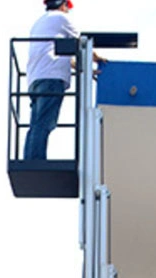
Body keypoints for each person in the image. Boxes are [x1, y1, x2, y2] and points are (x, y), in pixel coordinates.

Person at [24, 0, 103, 160]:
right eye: (67, 6)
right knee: (45, 123)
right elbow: (82, 43)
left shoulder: (41, 22)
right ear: (62, 4)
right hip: (51, 78)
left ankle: (30, 158)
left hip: (36, 78)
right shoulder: (61, 18)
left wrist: (88, 70)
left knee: (36, 123)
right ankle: (36, 160)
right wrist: (99, 59)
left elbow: (63, 58)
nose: (68, 10)